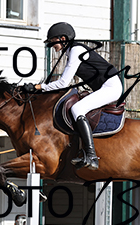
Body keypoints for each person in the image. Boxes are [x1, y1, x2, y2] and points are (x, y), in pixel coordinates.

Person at [23, 22, 123, 170]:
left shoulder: (76, 50)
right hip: (105, 86)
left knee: (77, 109)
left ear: (63, 39)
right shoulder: (71, 51)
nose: (52, 45)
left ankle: (91, 156)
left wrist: (38, 87)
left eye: (53, 41)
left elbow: (63, 82)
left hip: (111, 87)